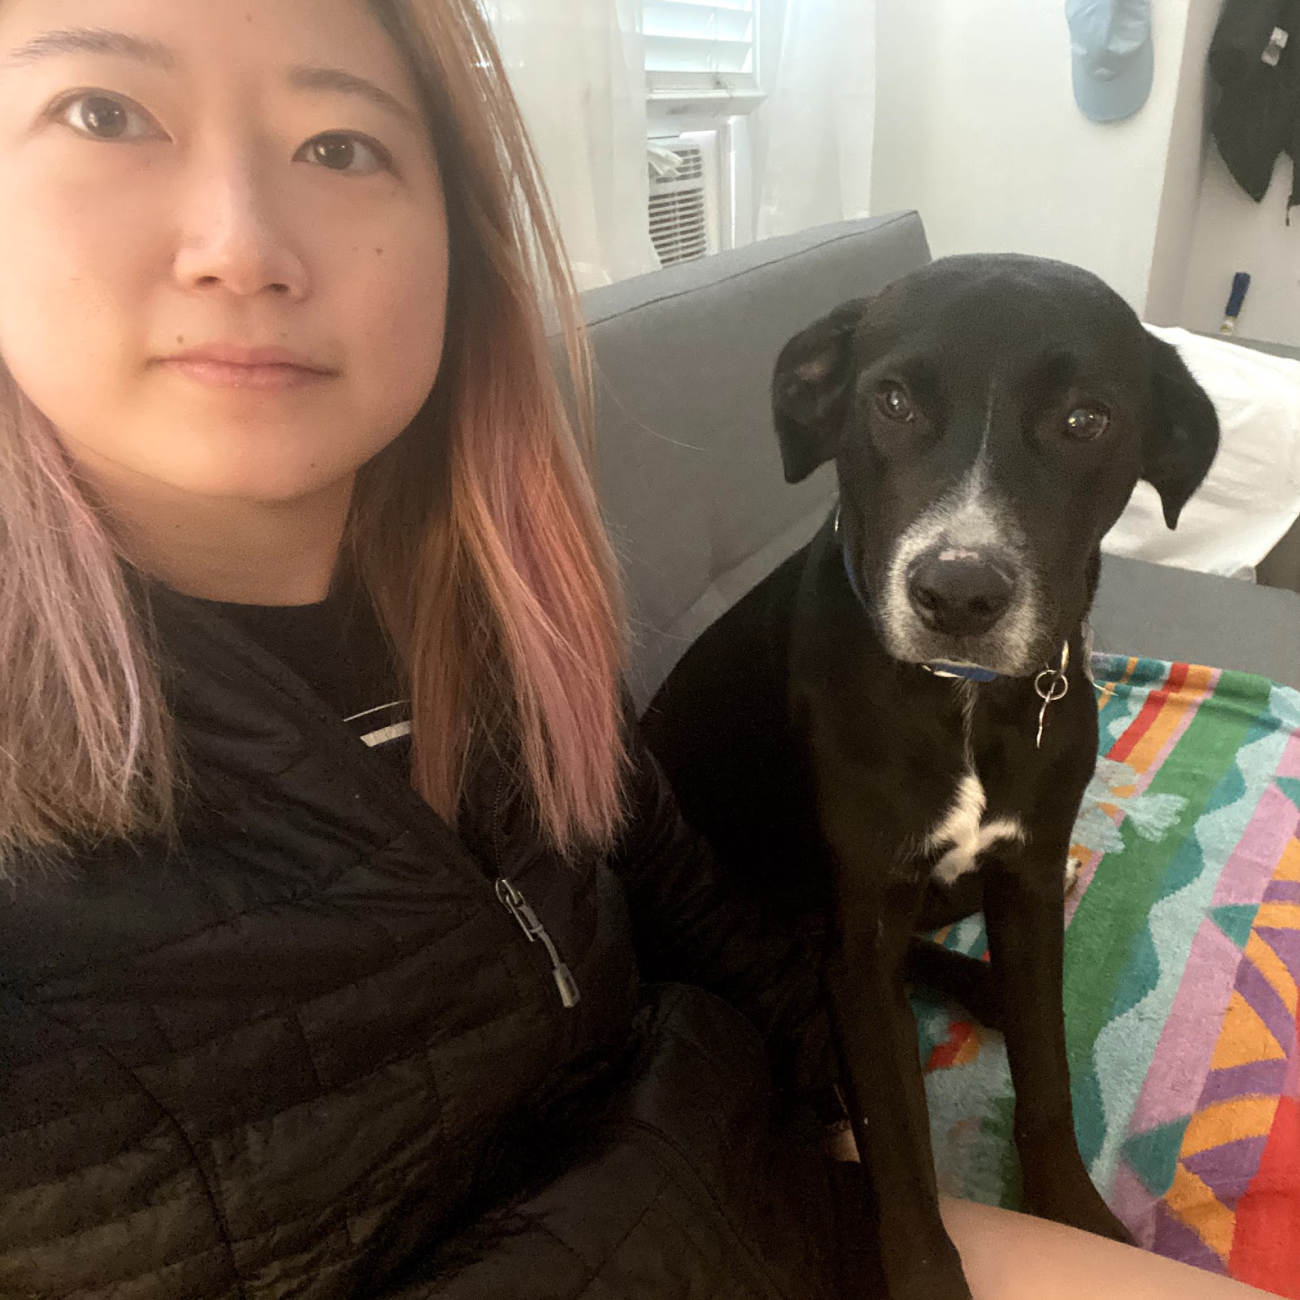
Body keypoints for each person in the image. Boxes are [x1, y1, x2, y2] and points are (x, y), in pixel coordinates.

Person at [0, 2, 1274, 1297]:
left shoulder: (521, 629)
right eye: (103, 114)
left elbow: (691, 905)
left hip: (748, 1174)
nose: (240, 246)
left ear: (466, 245)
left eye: (340, 145)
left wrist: (843, 1118)